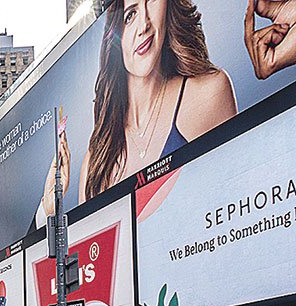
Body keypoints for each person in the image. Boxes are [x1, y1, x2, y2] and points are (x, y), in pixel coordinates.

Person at [37, 0, 237, 226]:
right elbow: (90, 256)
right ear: (114, 39)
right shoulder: (96, 159)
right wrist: (49, 208)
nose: (144, 25)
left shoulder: (206, 94)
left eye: (151, 3)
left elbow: (235, 208)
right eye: (129, 15)